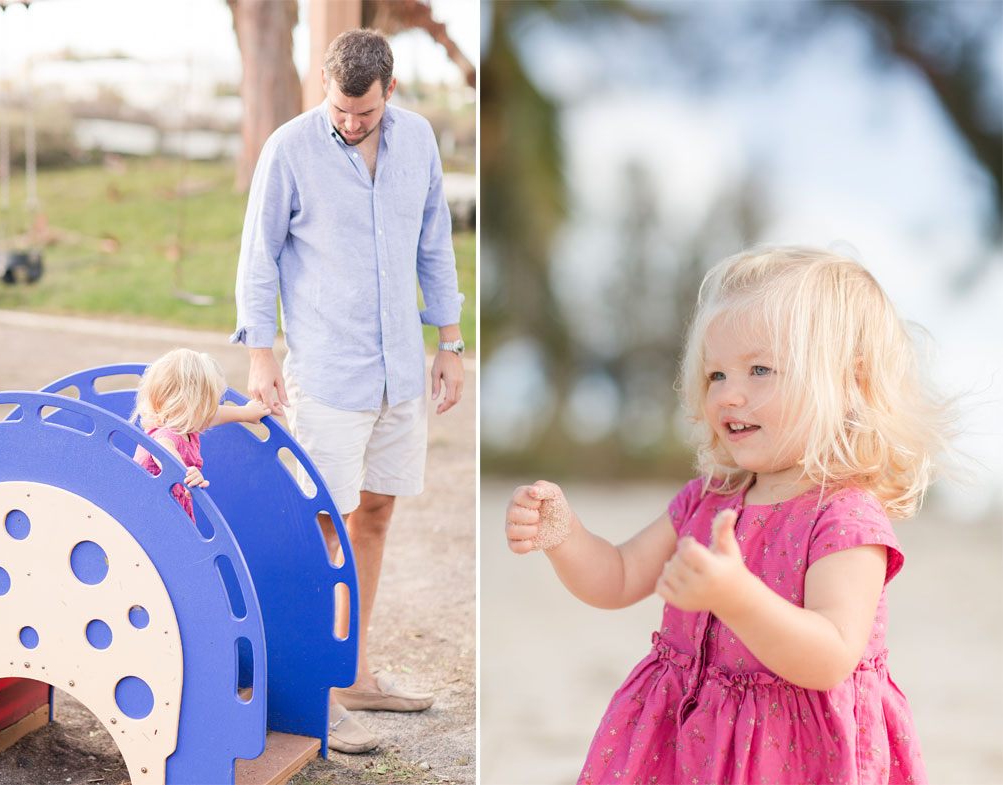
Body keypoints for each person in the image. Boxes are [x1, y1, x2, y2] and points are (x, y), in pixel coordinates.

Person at [505, 247, 953, 784]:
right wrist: (566, 534)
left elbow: (831, 655)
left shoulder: (844, 518)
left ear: (847, 384)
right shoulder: (709, 498)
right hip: (684, 739)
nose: (730, 394)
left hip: (791, 755)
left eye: (760, 369)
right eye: (716, 374)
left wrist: (734, 597)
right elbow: (619, 576)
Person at [232, 28, 465, 754]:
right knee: (323, 526)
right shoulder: (290, 148)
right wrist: (260, 352)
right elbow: (257, 253)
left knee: (378, 513)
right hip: (327, 372)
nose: (350, 123)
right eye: (340, 109)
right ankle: (316, 689)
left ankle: (355, 672)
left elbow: (435, 243)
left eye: (363, 112)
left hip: (399, 367)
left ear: (389, 92)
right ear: (326, 92)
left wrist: (450, 342)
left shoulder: (419, 141)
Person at [132, 348, 270, 521]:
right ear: (191, 405)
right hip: (153, 517)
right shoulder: (165, 436)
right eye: (207, 405)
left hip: (171, 511)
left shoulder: (187, 423)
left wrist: (246, 413)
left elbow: (216, 415)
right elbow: (162, 452)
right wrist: (185, 473)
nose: (210, 411)